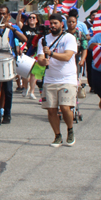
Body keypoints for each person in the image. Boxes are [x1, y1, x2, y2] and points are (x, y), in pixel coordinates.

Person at [37, 13, 78, 147]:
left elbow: (67, 57)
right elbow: (40, 59)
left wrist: (51, 54)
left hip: (67, 78)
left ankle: (70, 130)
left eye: (56, 23)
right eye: (51, 23)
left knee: (65, 107)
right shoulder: (43, 40)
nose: (53, 26)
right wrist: (43, 61)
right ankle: (57, 135)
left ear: (61, 24)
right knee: (51, 110)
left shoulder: (69, 38)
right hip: (50, 79)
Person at [18, 11, 41, 99]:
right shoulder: (24, 27)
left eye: (33, 18)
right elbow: (18, 23)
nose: (31, 19)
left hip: (35, 52)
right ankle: (25, 87)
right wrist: (19, 14)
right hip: (26, 51)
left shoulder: (39, 29)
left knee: (33, 73)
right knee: (25, 72)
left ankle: (32, 92)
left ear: (37, 20)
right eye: (30, 17)